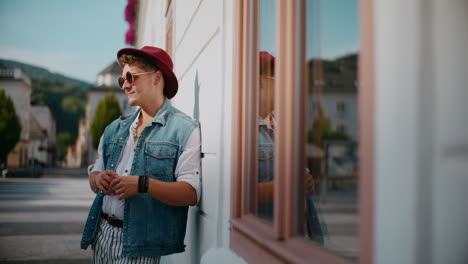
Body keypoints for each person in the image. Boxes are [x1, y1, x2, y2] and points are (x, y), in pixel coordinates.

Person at [81, 46, 201, 263]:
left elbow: (190, 194)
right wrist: (99, 179)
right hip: (102, 234)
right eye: (122, 80)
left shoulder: (184, 129)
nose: (125, 85)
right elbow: (93, 175)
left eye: (131, 77)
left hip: (142, 244)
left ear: (157, 78)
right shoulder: (113, 128)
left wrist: (143, 184)